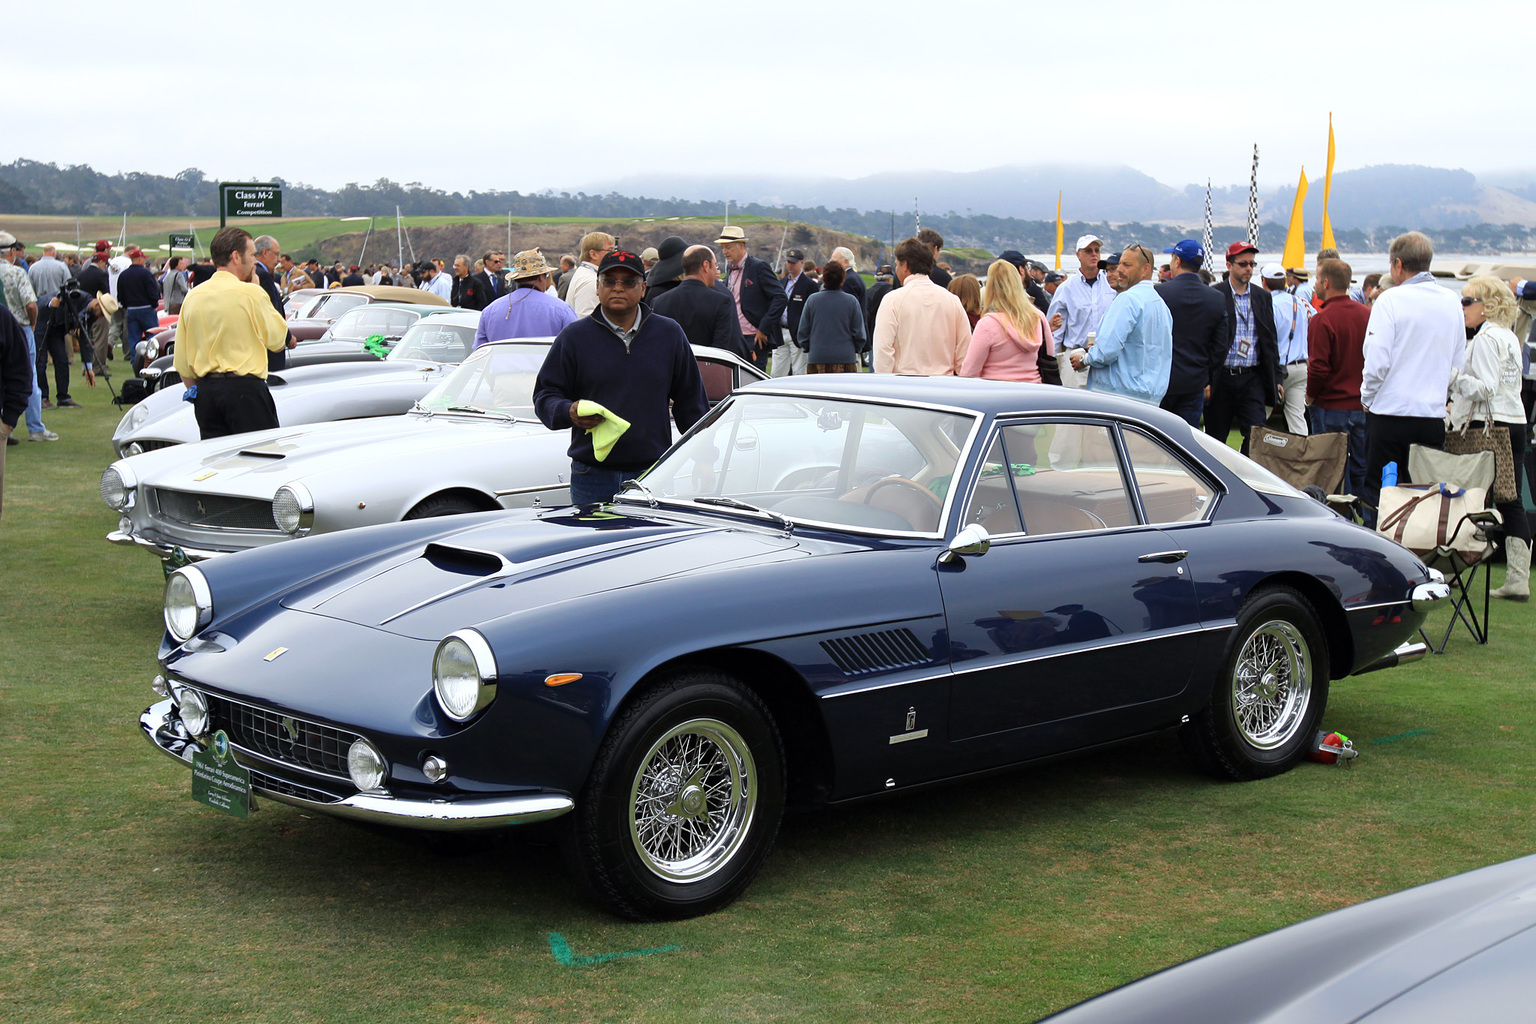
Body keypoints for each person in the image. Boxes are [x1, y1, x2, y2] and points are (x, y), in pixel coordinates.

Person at [533, 249, 709, 505]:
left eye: (628, 282)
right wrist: (567, 410)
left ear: (643, 288)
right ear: (597, 286)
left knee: (648, 545)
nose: (618, 288)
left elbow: (692, 403)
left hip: (651, 474)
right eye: (609, 281)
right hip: (591, 475)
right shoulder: (574, 338)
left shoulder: (669, 335)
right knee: (593, 545)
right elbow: (545, 396)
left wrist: (704, 459)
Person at [1359, 231, 1466, 516]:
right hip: (1430, 416)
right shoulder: (1451, 300)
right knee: (1425, 496)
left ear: (1397, 264)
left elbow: (1377, 362)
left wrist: (1366, 399)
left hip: (1390, 414)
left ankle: (1378, 555)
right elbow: (1457, 362)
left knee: (1380, 496)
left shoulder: (1389, 300)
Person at [1449, 276, 1529, 599]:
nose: (1462, 307)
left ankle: (1456, 569)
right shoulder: (1508, 335)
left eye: (1467, 301)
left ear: (1487, 306)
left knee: (1470, 497)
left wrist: (1454, 377)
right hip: (1514, 420)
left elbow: (1485, 388)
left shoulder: (1484, 339)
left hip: (1487, 426)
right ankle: (1518, 578)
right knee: (1511, 501)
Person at [173, 227, 291, 441]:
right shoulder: (251, 293)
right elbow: (278, 340)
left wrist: (200, 392)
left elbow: (182, 362)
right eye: (252, 254)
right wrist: (257, 290)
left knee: (218, 466)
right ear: (236, 257)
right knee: (260, 459)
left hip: (207, 393)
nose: (255, 261)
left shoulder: (193, 297)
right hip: (245, 390)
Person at [1069, 244, 1172, 406]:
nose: (1120, 270)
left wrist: (1084, 359)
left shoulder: (1128, 299)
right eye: (1120, 264)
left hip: (1116, 396)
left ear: (1145, 269)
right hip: (1150, 397)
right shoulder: (1160, 304)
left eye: (1127, 265)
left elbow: (1106, 351)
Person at [1307, 258, 1370, 499]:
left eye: (1316, 279)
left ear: (1326, 282)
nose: (1314, 285)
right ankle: (1366, 512)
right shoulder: (1367, 315)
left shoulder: (1322, 319)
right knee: (1361, 465)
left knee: (1328, 468)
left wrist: (1311, 395)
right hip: (1361, 404)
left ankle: (1330, 511)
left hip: (1330, 404)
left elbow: (1319, 367)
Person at [1208, 241, 1280, 455]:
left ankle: (1247, 474)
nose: (1248, 268)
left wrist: (1277, 378)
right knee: (1215, 436)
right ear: (1229, 265)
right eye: (1243, 264)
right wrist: (1206, 379)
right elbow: (1207, 338)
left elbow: (1270, 339)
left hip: (1252, 376)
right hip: (1222, 376)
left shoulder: (1262, 296)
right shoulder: (1216, 295)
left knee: (1257, 433)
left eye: (1252, 264)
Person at [872, 236, 971, 376]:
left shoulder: (892, 300)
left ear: (905, 265)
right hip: (945, 386)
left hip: (905, 386)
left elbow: (883, 350)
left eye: (897, 264)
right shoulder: (952, 300)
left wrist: (886, 383)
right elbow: (964, 351)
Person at [1154, 239, 1227, 426]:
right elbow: (1220, 347)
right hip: (1195, 381)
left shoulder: (1160, 292)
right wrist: (1206, 375)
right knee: (1185, 441)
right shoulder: (1216, 298)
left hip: (1161, 380)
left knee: (1155, 439)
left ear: (1177, 261)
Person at [960, 258, 1053, 382]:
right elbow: (1050, 354)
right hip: (1034, 391)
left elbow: (969, 372)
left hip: (996, 393)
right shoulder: (1038, 317)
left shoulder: (988, 324)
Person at [0, 234, 53, 441]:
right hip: (18, 328)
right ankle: (34, 427)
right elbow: (31, 304)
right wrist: (32, 323)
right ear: (12, 252)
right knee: (28, 377)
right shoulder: (16, 272)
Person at [1046, 235, 1115, 389]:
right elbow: (1055, 330)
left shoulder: (1111, 285)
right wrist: (1049, 362)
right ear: (1078, 255)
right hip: (1075, 355)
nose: (1094, 254)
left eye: (1097, 250)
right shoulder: (1066, 288)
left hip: (1105, 355)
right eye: (1089, 251)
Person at [473, 249, 577, 348]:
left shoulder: (490, 311)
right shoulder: (561, 310)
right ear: (542, 277)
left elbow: (479, 352)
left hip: (501, 366)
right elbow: (576, 348)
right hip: (544, 366)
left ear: (516, 279)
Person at [650, 245, 742, 355]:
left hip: (672, 370)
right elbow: (720, 351)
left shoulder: (659, 302)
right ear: (706, 266)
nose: (716, 271)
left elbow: (657, 346)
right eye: (715, 266)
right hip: (705, 370)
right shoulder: (720, 302)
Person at [716, 225, 786, 367]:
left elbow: (780, 297)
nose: (724, 252)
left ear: (741, 245)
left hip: (753, 338)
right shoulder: (730, 271)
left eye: (728, 247)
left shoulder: (758, 267)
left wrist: (763, 328)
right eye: (722, 248)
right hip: (734, 337)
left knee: (752, 383)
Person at [1264, 263, 1312, 434]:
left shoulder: (1270, 304)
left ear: (1264, 282)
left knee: (1260, 417)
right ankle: (1302, 458)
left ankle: (1249, 454)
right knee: (1297, 418)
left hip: (1278, 370)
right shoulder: (1300, 301)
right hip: (1301, 366)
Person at [797, 260, 866, 373]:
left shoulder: (812, 301)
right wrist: (855, 349)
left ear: (823, 279)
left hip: (817, 358)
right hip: (846, 359)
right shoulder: (851, 302)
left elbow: (803, 332)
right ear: (843, 280)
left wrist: (810, 348)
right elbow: (859, 334)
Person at [28, 244, 74, 408]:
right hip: (58, 310)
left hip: (40, 310)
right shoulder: (61, 266)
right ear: (54, 253)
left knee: (40, 358)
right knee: (60, 357)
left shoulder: (33, 268)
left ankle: (43, 397)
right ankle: (63, 396)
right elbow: (69, 287)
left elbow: (30, 291)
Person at [252, 236, 297, 371]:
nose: (278, 260)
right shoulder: (263, 276)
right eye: (276, 254)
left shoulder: (253, 273)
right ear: (265, 252)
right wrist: (288, 337)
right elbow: (272, 310)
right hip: (271, 348)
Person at [773, 248, 818, 377]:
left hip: (798, 333)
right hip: (780, 332)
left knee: (799, 372)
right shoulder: (781, 283)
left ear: (801, 263)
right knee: (777, 372)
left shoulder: (809, 285)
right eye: (788, 262)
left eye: (793, 262)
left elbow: (811, 311)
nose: (790, 265)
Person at [117, 247, 161, 373]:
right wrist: (153, 303)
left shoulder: (124, 275)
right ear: (140, 259)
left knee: (134, 339)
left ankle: (135, 364)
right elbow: (153, 292)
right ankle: (153, 361)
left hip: (131, 310)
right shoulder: (146, 273)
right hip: (146, 309)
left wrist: (127, 305)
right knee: (152, 337)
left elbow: (121, 296)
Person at [564, 234, 614, 317]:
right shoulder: (590, 281)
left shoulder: (586, 273)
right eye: (610, 250)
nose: (614, 255)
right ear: (593, 254)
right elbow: (586, 318)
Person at [827, 247, 866, 313]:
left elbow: (847, 308)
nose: (831, 265)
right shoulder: (855, 277)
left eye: (834, 262)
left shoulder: (849, 280)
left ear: (846, 262)